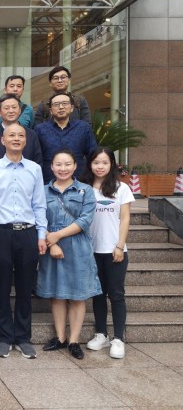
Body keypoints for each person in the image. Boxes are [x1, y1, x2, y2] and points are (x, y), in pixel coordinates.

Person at [0, 123, 47, 360]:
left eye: (20, 135)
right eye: (11, 135)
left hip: (28, 232)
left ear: (26, 141)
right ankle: (4, 337)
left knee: (25, 287)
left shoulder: (34, 169)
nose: (16, 138)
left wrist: (41, 235)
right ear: (2, 140)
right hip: (1, 232)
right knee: (2, 287)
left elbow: (39, 205)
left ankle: (23, 337)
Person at [38, 149, 101, 360]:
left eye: (67, 164)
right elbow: (38, 218)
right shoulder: (42, 191)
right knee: (57, 294)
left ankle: (74, 341)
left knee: (77, 295)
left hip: (77, 245)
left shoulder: (86, 190)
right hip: (51, 245)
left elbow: (85, 220)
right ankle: (60, 337)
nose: (62, 168)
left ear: (75, 166)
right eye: (58, 164)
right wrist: (52, 242)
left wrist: (57, 236)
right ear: (51, 167)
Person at [82, 147, 134, 359]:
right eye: (96, 162)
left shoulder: (121, 188)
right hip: (91, 251)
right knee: (98, 294)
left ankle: (118, 338)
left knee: (116, 294)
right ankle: (101, 334)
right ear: (90, 164)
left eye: (104, 162)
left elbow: (125, 218)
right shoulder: (84, 188)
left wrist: (120, 246)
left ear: (112, 164)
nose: (100, 166)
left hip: (114, 251)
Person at [36, 92, 97, 183]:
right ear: (51, 110)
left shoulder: (83, 127)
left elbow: (93, 155)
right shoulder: (40, 129)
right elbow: (36, 158)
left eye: (65, 103)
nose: (61, 107)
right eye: (56, 104)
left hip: (79, 182)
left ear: (72, 108)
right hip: (47, 183)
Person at [0, 93, 42, 167]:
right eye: (6, 108)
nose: (11, 111)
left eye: (14, 107)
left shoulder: (31, 134)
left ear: (20, 110)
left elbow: (38, 162)